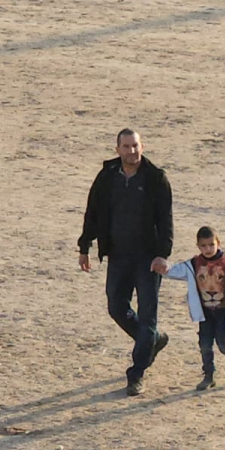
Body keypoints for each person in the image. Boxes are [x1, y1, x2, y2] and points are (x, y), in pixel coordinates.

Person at [77, 128, 173, 397]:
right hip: (118, 255)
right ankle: (153, 340)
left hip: (148, 259)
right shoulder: (107, 176)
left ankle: (137, 373)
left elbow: (166, 220)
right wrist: (85, 246)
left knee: (148, 315)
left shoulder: (156, 178)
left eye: (136, 146)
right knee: (116, 307)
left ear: (142, 146)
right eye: (127, 146)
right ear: (117, 149)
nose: (132, 151)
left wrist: (162, 254)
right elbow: (93, 212)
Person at [165, 226, 225, 391]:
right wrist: (163, 268)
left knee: (224, 344)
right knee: (205, 344)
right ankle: (209, 375)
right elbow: (177, 271)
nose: (208, 249)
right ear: (198, 246)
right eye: (203, 246)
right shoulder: (194, 263)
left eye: (211, 244)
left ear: (218, 243)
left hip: (224, 310)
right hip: (205, 311)